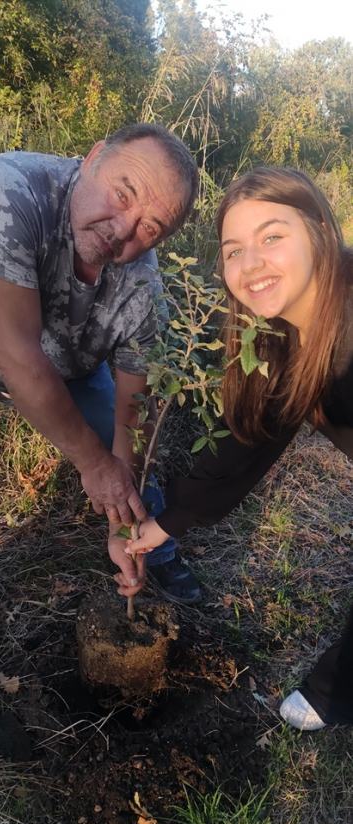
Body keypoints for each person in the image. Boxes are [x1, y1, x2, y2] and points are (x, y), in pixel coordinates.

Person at [0, 122, 202, 683]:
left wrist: (120, 514)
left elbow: (134, 415)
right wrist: (94, 466)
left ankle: (152, 550)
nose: (123, 229)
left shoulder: (144, 295)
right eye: (123, 193)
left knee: (132, 474)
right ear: (92, 156)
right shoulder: (11, 189)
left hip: (72, 369)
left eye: (151, 226)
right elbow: (16, 353)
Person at [125, 166, 353, 731]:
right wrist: (167, 522)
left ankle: (332, 689)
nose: (250, 265)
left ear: (321, 231)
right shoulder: (275, 337)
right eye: (233, 250)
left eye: (273, 237)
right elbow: (249, 439)